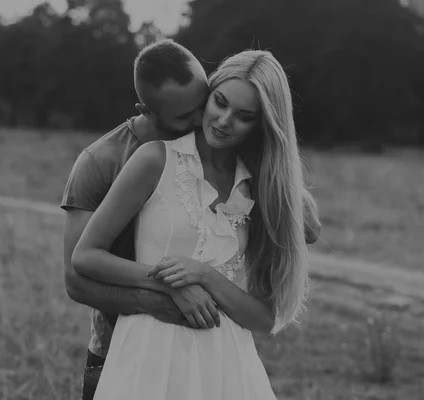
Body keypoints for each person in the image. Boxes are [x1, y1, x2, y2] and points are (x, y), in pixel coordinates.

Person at [62, 40, 321, 399]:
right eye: (219, 103)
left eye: (245, 116)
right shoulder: (142, 159)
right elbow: (82, 263)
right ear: (149, 111)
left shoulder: (256, 183)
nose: (217, 121)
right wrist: (171, 284)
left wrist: (206, 276)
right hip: (144, 354)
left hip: (225, 366)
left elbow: (264, 317)